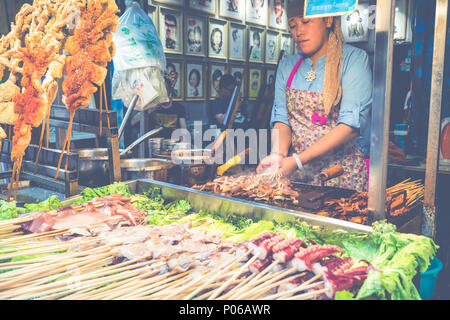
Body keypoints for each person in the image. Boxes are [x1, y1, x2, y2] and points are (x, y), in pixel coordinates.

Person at [256, 0, 373, 192]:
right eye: (293, 25)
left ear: (327, 19)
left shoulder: (353, 60)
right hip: (298, 177)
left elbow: (350, 126)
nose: (298, 32)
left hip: (341, 175)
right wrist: (278, 154)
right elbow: (282, 120)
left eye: (305, 22)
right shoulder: (287, 66)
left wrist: (297, 160)